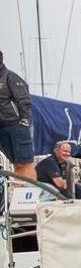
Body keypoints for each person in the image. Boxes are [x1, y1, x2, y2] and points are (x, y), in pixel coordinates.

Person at [0, 51, 35, 180]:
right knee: (15, 164)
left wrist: (24, 121)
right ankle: (20, 191)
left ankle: (31, 192)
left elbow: (24, 100)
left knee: (25, 163)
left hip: (16, 125)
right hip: (2, 128)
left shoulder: (10, 77)